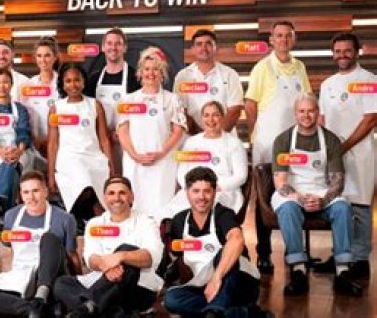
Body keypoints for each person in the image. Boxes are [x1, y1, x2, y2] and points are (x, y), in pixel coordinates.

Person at [271, 93, 362, 296]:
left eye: (311, 111)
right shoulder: (283, 140)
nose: (306, 115)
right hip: (293, 193)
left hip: (323, 191)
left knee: (342, 208)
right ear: (295, 113)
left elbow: (338, 181)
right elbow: (280, 182)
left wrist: (323, 200)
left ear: (318, 112)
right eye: (301, 111)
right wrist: (300, 198)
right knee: (287, 209)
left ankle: (343, 271)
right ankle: (298, 270)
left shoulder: (330, 140)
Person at [244, 21, 311, 273]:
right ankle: (264, 253)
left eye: (287, 36)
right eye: (279, 36)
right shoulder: (262, 67)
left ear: (294, 39)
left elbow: (307, 100)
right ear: (271, 40)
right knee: (264, 199)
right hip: (268, 143)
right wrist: (256, 134)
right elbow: (250, 104)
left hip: (296, 144)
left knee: (295, 194)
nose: (283, 40)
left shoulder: (300, 67)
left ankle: (297, 251)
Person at [0, 171, 80, 318]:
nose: (31, 197)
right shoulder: (11, 216)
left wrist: (76, 284)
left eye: (35, 191)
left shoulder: (65, 219)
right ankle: (33, 309)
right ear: (21, 195)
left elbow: (72, 255)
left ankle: (42, 296)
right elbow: (7, 247)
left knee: (49, 238)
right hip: (22, 275)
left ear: (45, 192)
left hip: (52, 277)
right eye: (26, 192)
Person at [54, 176, 163, 317]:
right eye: (111, 193)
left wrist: (121, 256)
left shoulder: (146, 222)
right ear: (104, 198)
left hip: (137, 287)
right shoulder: (95, 224)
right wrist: (105, 266)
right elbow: (91, 258)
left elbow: (153, 257)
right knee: (62, 283)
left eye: (122, 193)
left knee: (128, 250)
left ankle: (87, 308)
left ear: (131, 197)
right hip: (101, 281)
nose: (116, 198)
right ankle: (103, 310)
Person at [163, 167, 263, 317]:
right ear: (187, 192)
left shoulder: (223, 214)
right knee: (171, 299)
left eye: (207, 191)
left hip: (239, 283)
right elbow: (178, 258)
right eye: (196, 191)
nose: (201, 197)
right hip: (205, 285)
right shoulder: (179, 221)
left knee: (224, 253)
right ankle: (242, 313)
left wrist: (217, 277)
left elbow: (237, 239)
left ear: (215, 192)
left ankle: (214, 311)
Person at [317, 32, 377, 279]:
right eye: (338, 51)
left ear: (357, 51)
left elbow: (371, 118)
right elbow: (321, 119)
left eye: (347, 51)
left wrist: (344, 146)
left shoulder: (369, 80)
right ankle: (340, 255)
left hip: (360, 155)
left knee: (360, 206)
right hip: (334, 156)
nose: (342, 55)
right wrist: (327, 149)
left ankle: (361, 260)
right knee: (338, 205)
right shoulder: (327, 84)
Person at [117, 47, 186, 218]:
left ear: (162, 73)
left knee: (161, 206)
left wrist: (161, 153)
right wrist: (134, 155)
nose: (151, 73)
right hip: (135, 162)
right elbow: (122, 131)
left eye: (156, 69)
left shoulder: (172, 99)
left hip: (163, 162)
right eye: (147, 69)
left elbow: (178, 131)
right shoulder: (128, 100)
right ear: (140, 72)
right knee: (135, 205)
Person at [47, 63, 112, 227]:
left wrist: (111, 165)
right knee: (85, 184)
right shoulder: (56, 108)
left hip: (94, 157)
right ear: (62, 84)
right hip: (69, 158)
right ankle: (87, 221)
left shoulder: (95, 105)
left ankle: (85, 223)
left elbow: (104, 139)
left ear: (83, 82)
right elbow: (53, 143)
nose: (73, 85)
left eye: (77, 80)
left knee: (99, 195)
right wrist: (50, 173)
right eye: (68, 81)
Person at [164, 101, 248, 218]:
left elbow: (241, 176)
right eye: (206, 115)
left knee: (210, 210)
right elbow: (181, 173)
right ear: (202, 118)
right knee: (171, 211)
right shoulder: (191, 142)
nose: (211, 120)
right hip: (193, 190)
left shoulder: (234, 143)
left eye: (215, 115)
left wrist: (213, 187)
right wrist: (193, 188)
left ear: (222, 117)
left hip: (223, 191)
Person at [85, 27, 141, 175]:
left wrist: (122, 133)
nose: (113, 47)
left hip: (129, 142)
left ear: (125, 48)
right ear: (103, 47)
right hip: (101, 143)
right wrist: (103, 133)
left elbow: (141, 112)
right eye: (109, 43)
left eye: (118, 43)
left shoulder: (136, 78)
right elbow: (88, 113)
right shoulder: (93, 79)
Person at [0, 68, 34, 215]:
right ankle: (7, 210)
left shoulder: (20, 109)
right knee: (9, 166)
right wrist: (1, 151)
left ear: (11, 84)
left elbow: (23, 131)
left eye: (5, 82)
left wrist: (18, 151)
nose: (1, 86)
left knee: (11, 163)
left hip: (19, 151)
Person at [173, 29, 244, 134]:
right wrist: (202, 137)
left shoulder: (230, 74)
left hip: (224, 138)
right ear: (192, 49)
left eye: (208, 43)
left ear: (216, 48)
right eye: (199, 44)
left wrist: (216, 136)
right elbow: (181, 111)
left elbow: (235, 110)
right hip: (192, 138)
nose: (204, 48)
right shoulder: (183, 76)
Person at [20, 37, 60, 157]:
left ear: (55, 57)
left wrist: (50, 140)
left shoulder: (62, 84)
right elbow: (23, 116)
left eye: (47, 55)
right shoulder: (28, 85)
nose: (43, 60)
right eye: (39, 56)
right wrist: (35, 140)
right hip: (34, 145)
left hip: (60, 143)